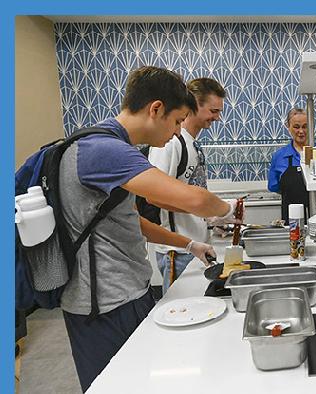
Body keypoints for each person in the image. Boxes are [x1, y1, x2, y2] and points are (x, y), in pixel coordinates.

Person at [58, 66, 240, 391]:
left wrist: (188, 244)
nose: (177, 131)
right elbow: (193, 200)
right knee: (116, 386)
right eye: (177, 121)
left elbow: (133, 221)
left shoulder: (113, 147)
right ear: (156, 109)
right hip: (103, 305)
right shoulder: (102, 150)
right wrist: (228, 211)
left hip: (128, 292)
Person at [147, 77, 226, 294]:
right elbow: (154, 196)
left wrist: (210, 219)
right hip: (177, 251)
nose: (217, 117)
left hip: (196, 248)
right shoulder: (171, 143)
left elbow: (189, 191)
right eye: (213, 110)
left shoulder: (193, 144)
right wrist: (210, 209)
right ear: (193, 105)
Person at [267, 108, 309, 224]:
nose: (301, 131)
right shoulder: (279, 156)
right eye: (296, 126)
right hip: (292, 219)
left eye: (305, 126)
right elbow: (273, 186)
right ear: (288, 126)